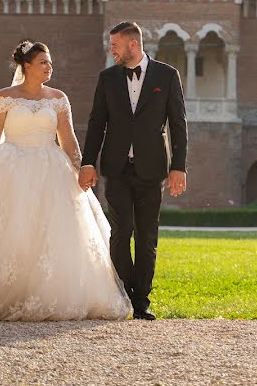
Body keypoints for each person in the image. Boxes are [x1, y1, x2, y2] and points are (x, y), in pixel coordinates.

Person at [0, 40, 131, 322]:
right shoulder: (5, 97)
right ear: (27, 66)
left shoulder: (58, 98)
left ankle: (51, 294)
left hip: (50, 167)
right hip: (11, 167)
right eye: (43, 62)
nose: (49, 67)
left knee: (52, 231)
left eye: (50, 62)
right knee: (10, 228)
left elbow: (67, 139)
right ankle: (2, 293)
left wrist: (81, 167)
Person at [78, 21, 188, 321]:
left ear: (133, 45)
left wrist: (179, 166)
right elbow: (97, 122)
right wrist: (88, 162)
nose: (111, 50)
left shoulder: (167, 76)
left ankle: (142, 302)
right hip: (116, 169)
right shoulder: (107, 78)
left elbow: (178, 123)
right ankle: (125, 291)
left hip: (152, 170)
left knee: (146, 236)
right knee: (121, 230)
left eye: (115, 45)